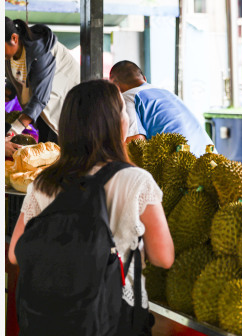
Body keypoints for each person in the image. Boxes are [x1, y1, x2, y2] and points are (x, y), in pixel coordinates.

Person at [8, 79, 174, 332]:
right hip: (115, 316)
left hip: (52, 318)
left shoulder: (43, 182)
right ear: (117, 123)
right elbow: (163, 258)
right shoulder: (137, 180)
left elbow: (14, 253)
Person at [109, 60, 215, 157]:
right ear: (144, 78)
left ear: (115, 87)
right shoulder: (167, 93)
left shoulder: (127, 98)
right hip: (211, 160)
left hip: (183, 168)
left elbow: (135, 146)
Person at [5, 17, 80, 143]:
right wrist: (8, 91)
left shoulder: (41, 51)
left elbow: (40, 98)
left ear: (14, 38)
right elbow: (19, 80)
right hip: (42, 112)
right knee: (45, 149)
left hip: (63, 109)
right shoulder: (9, 55)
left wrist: (13, 130)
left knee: (57, 150)